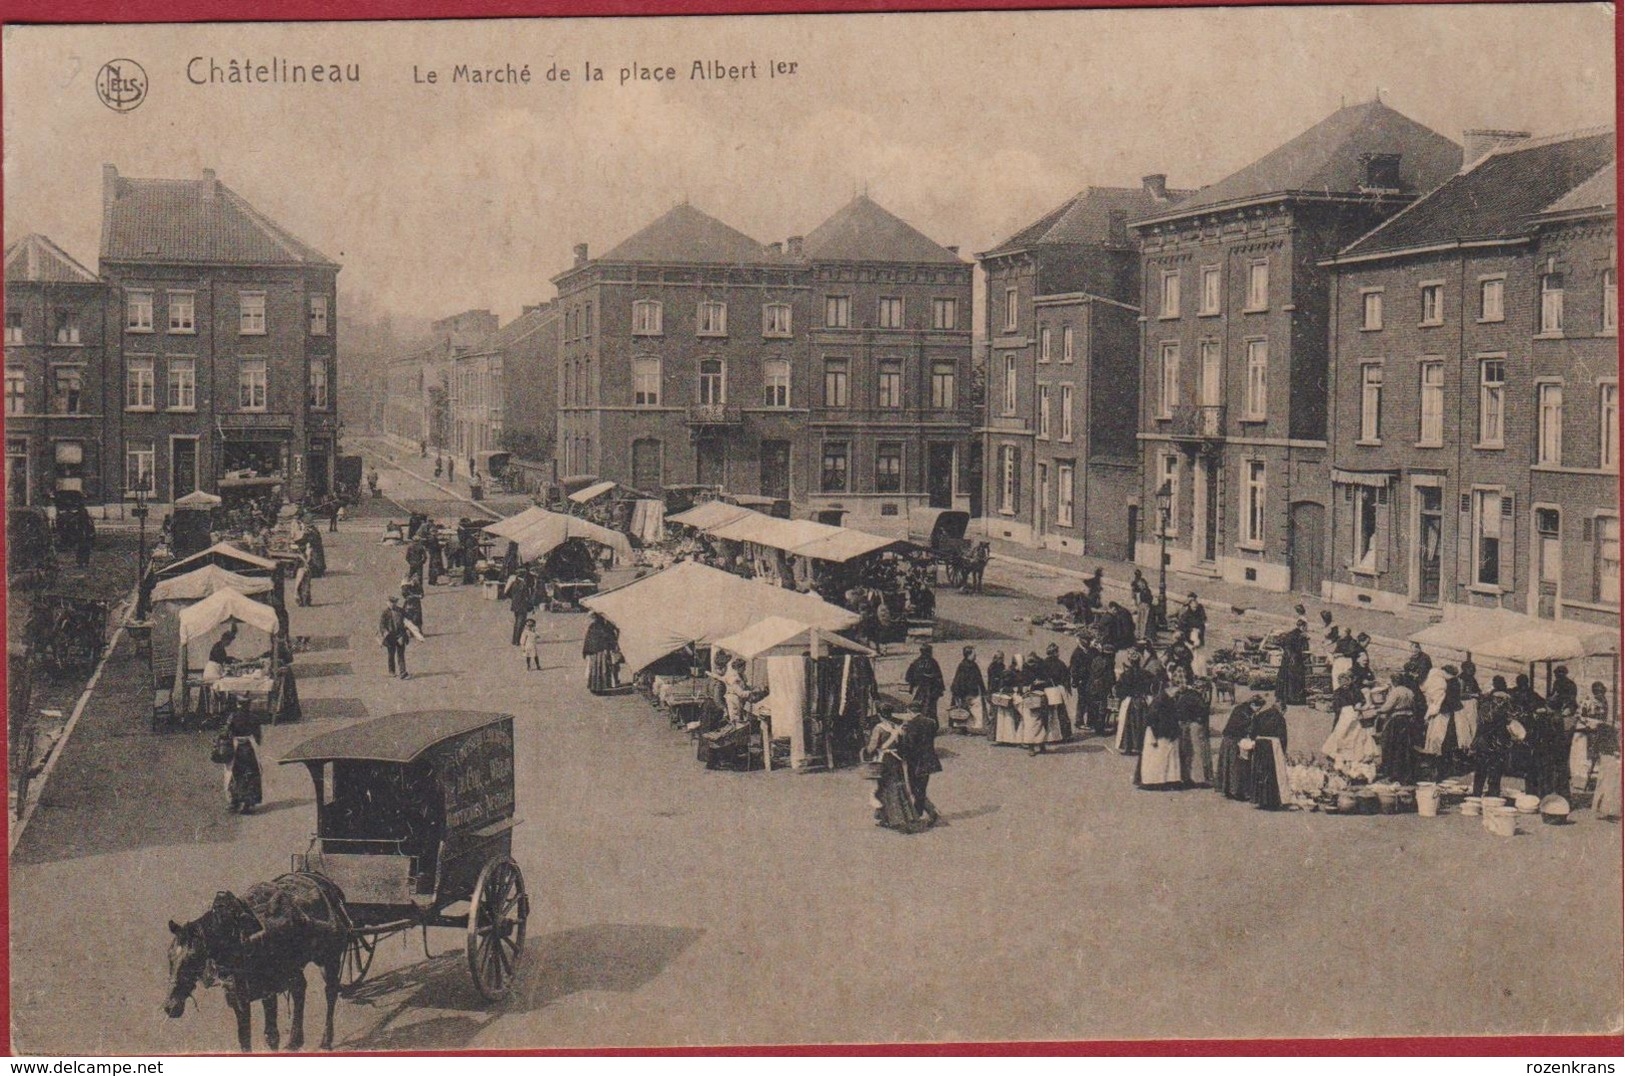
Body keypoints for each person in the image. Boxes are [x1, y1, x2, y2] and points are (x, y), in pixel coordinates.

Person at [1321, 674, 1380, 780]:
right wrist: (1346, 710)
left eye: (1346, 682)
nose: (1344, 685)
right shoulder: (1338, 692)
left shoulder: (1355, 690)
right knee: (1341, 737)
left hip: (1354, 719)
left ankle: (1355, 762)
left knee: (1356, 737)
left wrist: (1358, 705)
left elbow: (1361, 701)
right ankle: (1341, 762)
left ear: (1349, 682)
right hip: (1343, 719)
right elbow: (1336, 706)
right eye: (1342, 683)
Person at [1136, 678, 1184, 789]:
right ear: (1168, 689)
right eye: (1175, 689)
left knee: (1165, 758)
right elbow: (1151, 719)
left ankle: (1166, 780)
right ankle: (1156, 781)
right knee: (1158, 759)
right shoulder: (1160, 701)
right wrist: (1154, 736)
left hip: (1165, 733)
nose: (1176, 692)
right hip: (1158, 733)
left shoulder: (1167, 699)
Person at [1472, 676, 1515, 799]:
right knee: (1482, 770)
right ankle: (1476, 796)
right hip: (1487, 741)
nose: (1500, 701)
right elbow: (1484, 722)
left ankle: (1492, 796)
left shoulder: (1506, 708)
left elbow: (1512, 723)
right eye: (1498, 699)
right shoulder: (1488, 707)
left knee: (1494, 771)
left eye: (1502, 699)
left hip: (1497, 743)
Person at [1215, 696, 1265, 802]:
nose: (1258, 710)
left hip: (1228, 739)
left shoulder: (1240, 709)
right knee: (1236, 766)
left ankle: (1228, 789)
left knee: (1228, 764)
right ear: (1253, 704)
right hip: (1234, 740)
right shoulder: (1245, 713)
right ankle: (1236, 792)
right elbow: (1243, 726)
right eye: (1258, 708)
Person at [1372, 674, 1420, 784]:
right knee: (1406, 748)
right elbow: (1414, 706)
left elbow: (1387, 707)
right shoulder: (1409, 691)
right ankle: (1407, 774)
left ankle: (1394, 773)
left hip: (1397, 720)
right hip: (1409, 720)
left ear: (1393, 682)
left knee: (1392, 746)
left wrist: (1377, 710)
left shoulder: (1396, 692)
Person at [1247, 696, 1291, 810]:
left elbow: (1252, 732)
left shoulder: (1260, 715)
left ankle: (1259, 799)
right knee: (1272, 773)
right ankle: (1271, 801)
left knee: (1260, 771)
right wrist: (1283, 751)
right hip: (1272, 746)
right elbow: (1283, 737)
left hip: (1260, 745)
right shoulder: (1280, 718)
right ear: (1282, 709)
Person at [221, 701, 263, 814]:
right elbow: (258, 737)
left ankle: (234, 802)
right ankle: (248, 803)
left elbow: (224, 732)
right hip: (249, 748)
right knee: (251, 773)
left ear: (238, 705)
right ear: (248, 705)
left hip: (236, 748)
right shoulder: (254, 717)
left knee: (234, 774)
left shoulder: (232, 716)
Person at [1175, 672, 1212, 787]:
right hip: (1194, 726)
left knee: (1186, 752)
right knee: (1197, 752)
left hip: (1184, 725)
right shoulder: (1196, 697)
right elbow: (1203, 712)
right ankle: (1199, 778)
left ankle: (1186, 777)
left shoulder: (1184, 696)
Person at [950, 646, 988, 735]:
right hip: (965, 693)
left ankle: (972, 727)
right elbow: (959, 680)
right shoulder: (962, 666)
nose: (975, 656)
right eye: (974, 654)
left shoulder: (974, 665)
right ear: (968, 655)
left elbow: (979, 679)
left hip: (973, 691)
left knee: (975, 710)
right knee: (964, 710)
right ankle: (963, 729)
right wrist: (959, 694)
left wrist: (983, 690)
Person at [1040, 642, 1074, 741]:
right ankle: (1064, 735)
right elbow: (1066, 677)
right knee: (1061, 712)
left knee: (1048, 713)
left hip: (1046, 691)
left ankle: (1047, 736)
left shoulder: (1043, 663)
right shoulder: (1060, 664)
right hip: (1057, 691)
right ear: (1055, 652)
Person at [905, 643, 945, 723]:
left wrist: (913, 684)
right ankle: (931, 725)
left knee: (918, 707)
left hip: (919, 690)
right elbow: (938, 677)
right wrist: (940, 689)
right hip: (931, 690)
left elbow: (908, 677)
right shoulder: (933, 662)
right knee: (931, 708)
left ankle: (919, 724)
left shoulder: (916, 662)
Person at [583, 611, 620, 694]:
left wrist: (586, 651)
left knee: (594, 669)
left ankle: (594, 686)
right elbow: (611, 638)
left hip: (593, 652)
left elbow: (588, 640)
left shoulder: (593, 626)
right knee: (602, 669)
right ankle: (601, 687)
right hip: (602, 651)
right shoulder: (605, 627)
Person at [1275, 619, 1309, 707]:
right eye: (1306, 627)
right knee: (1294, 678)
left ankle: (1283, 697)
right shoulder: (1298, 635)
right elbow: (1290, 647)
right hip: (1294, 659)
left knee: (1285, 677)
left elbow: (1285, 645)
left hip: (1287, 659)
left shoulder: (1291, 634)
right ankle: (1293, 698)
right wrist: (1293, 656)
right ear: (1303, 626)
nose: (1306, 629)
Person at [379, 596, 410, 679]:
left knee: (401, 655)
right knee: (391, 655)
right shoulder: (385, 613)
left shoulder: (401, 611)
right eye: (390, 603)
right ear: (387, 603)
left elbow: (408, 622)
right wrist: (385, 632)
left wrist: (405, 632)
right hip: (390, 637)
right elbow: (382, 625)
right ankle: (391, 671)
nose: (392, 604)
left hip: (400, 635)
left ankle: (402, 673)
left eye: (393, 603)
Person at [508, 571, 534, 647]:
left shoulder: (515, 583)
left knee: (516, 623)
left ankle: (514, 640)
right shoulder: (524, 584)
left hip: (515, 605)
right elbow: (527, 597)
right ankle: (517, 640)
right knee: (521, 623)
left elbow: (508, 593)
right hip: (522, 605)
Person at [1130, 569, 1155, 639]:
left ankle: (1141, 635)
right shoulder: (1136, 584)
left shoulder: (1143, 586)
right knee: (1141, 620)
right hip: (1141, 603)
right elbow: (1133, 595)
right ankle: (1140, 634)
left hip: (1143, 603)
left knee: (1142, 620)